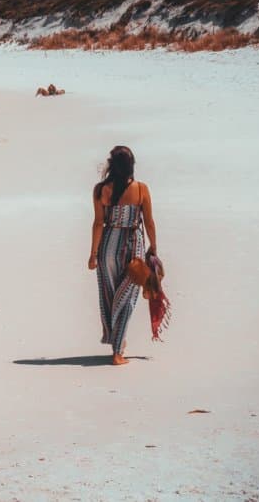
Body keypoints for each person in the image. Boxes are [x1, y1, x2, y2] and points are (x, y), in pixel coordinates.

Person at [88, 145, 157, 365]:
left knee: (110, 295)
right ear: (131, 165)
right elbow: (148, 221)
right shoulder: (141, 189)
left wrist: (93, 254)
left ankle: (117, 339)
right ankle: (117, 351)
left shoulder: (100, 190)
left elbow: (99, 222)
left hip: (108, 247)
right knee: (127, 297)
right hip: (132, 245)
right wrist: (153, 246)